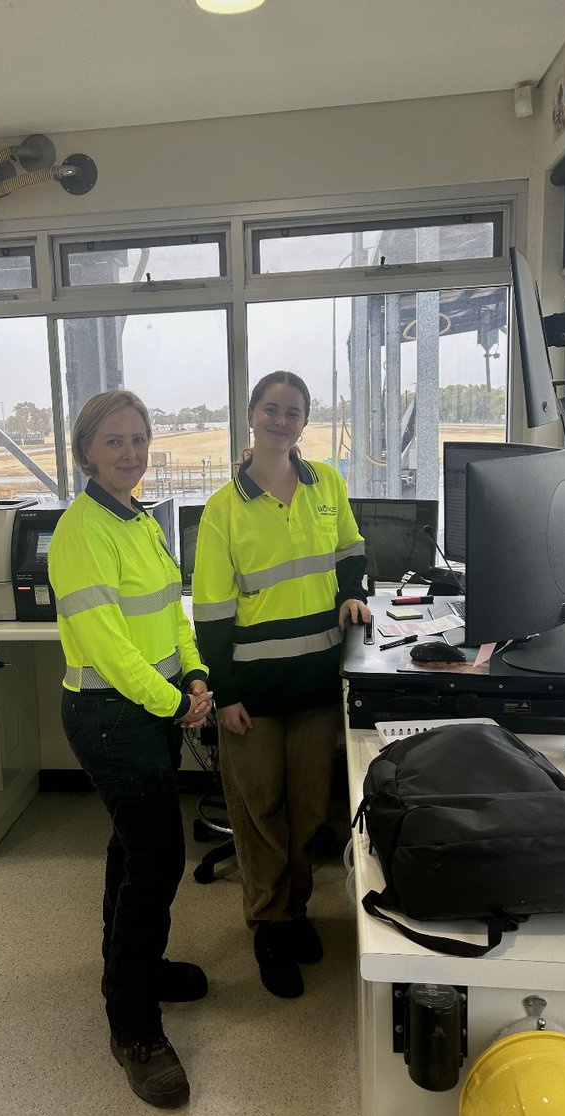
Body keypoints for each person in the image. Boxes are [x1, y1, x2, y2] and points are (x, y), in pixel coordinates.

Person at [48, 388, 213, 1109]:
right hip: (111, 716)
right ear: (86, 449)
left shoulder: (140, 519)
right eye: (114, 441)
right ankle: (134, 1027)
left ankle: (130, 973)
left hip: (151, 709)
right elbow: (112, 653)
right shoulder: (82, 530)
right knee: (157, 859)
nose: (131, 453)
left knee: (132, 849)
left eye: (140, 440)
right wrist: (176, 702)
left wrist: (197, 673)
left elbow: (171, 611)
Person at [192, 369, 369, 999]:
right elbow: (210, 612)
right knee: (261, 810)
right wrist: (227, 692)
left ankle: (295, 911)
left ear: (304, 421)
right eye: (271, 409)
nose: (280, 420)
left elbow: (350, 550)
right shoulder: (224, 509)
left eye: (292, 412)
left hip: (317, 680)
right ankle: (266, 922)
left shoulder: (328, 484)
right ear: (250, 414)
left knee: (307, 811)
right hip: (254, 693)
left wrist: (352, 596)